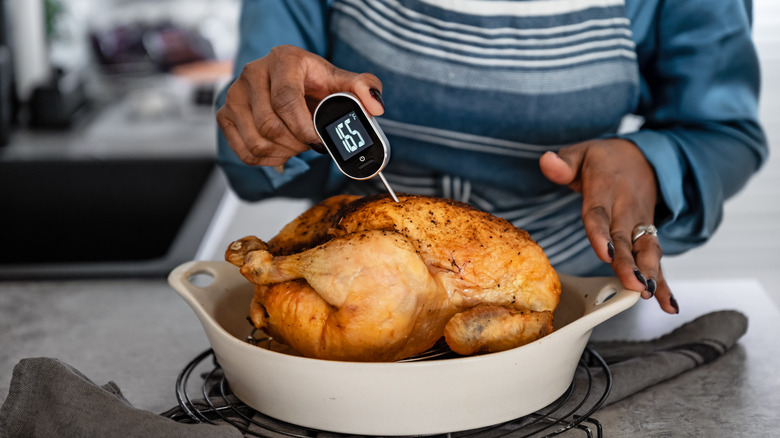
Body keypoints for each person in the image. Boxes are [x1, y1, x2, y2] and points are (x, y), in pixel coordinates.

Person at [214, 0, 767, 315]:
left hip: (575, 308)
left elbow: (724, 131)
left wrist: (645, 161)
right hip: (357, 295)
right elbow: (250, 152)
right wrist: (265, 116)